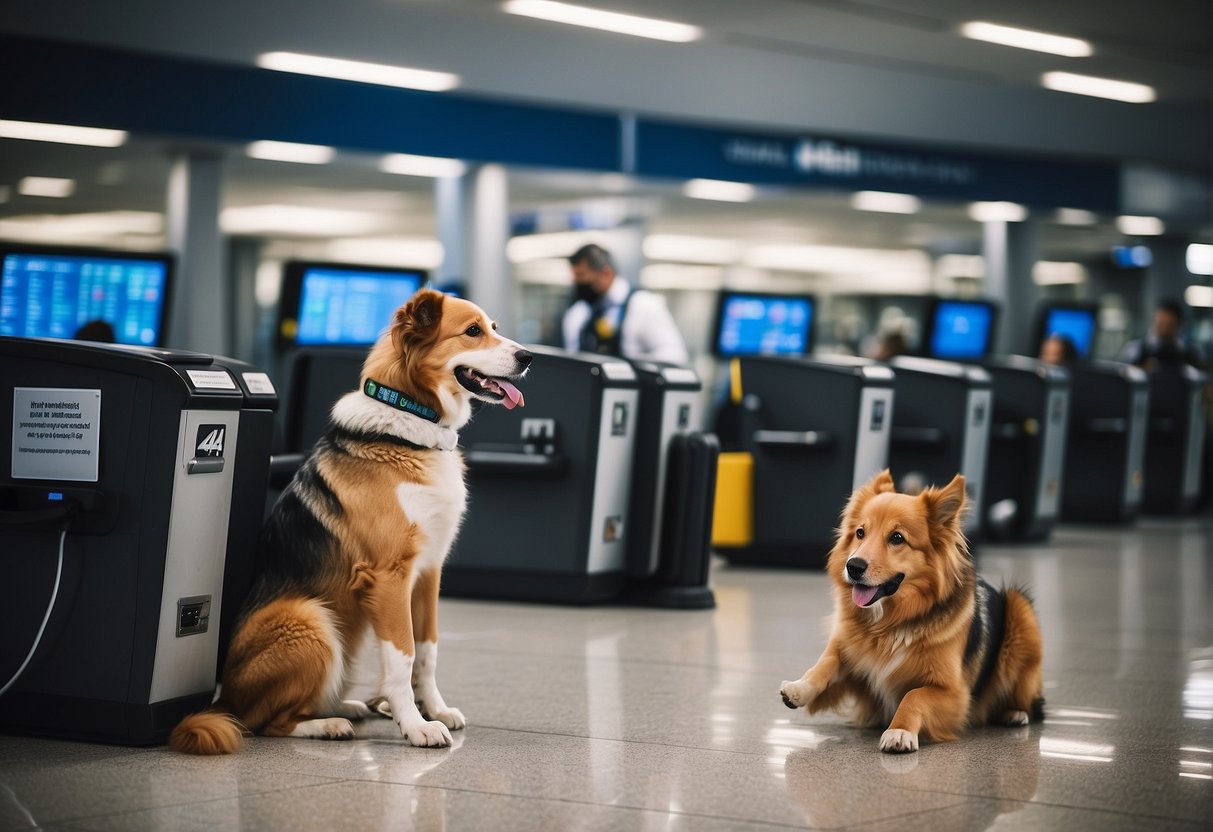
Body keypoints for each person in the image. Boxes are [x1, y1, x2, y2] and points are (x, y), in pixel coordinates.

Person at [562, 244, 689, 365]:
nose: (577, 283)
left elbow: (676, 355)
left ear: (606, 274)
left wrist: (631, 365)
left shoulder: (644, 305)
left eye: (581, 275)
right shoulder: (578, 313)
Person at [1119, 298, 1206, 371]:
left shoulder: (1192, 354)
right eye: (1160, 325)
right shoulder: (1136, 350)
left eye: (1170, 326)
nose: (1164, 330)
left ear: (1180, 324)